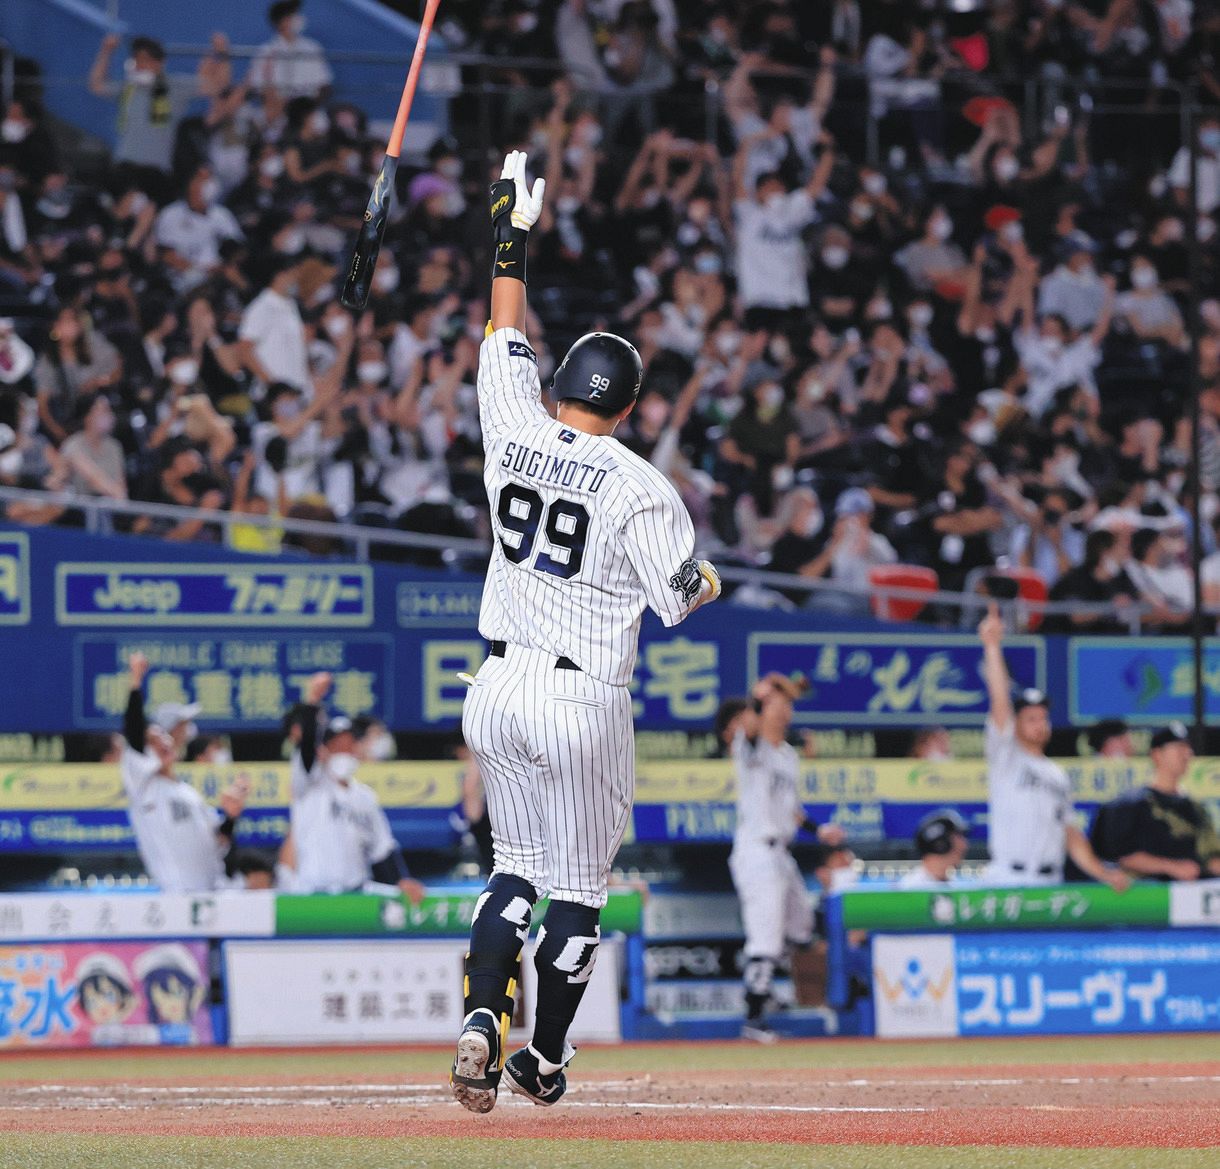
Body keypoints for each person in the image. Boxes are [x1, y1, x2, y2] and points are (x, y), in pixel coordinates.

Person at [451, 150, 722, 1113]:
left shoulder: (512, 425)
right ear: (631, 406)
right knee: (577, 886)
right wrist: (708, 572)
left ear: (563, 382)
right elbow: (683, 595)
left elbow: (501, 328)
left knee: (510, 870)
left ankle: (484, 1011)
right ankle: (545, 1058)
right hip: (581, 694)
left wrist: (511, 239)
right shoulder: (644, 485)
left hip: (496, 682)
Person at [717, 674, 845, 1043]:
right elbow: (752, 727)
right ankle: (754, 1017)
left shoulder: (788, 755)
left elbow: (792, 810)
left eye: (787, 703)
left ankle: (765, 987)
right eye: (778, 703)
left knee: (802, 926)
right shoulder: (749, 745)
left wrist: (818, 830)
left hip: (781, 853)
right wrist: (756, 700)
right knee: (765, 938)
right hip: (756, 851)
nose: (785, 709)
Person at [977, 603, 1129, 891]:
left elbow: (1070, 834)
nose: (1040, 724)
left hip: (1050, 881)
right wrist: (992, 647)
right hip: (1009, 878)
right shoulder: (1006, 757)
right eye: (1031, 718)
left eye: (1044, 718)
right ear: (1017, 724)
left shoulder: (1057, 774)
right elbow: (1000, 702)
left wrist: (1103, 874)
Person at [286, 671, 427, 901]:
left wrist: (401, 880)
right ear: (324, 748)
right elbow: (306, 747)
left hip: (357, 893)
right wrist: (312, 702)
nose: (345, 748)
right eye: (337, 743)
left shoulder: (364, 796)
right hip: (312, 894)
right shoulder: (309, 783)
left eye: (350, 742)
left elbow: (383, 848)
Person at [121, 652, 247, 892]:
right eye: (153, 742)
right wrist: (136, 681)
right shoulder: (144, 786)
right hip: (178, 897)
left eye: (164, 737)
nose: (163, 743)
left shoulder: (189, 793)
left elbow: (218, 841)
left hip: (213, 893)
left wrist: (230, 817)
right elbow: (134, 732)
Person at [1091, 722, 1220, 881]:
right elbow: (1119, 856)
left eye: (1188, 748)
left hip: (1189, 896)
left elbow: (1211, 857)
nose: (1187, 754)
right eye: (1179, 748)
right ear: (1157, 754)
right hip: (1143, 897)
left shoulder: (1196, 808)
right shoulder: (1129, 804)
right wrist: (1170, 867)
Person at [252, 1, 334, 103]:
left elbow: (325, 84)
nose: (298, 18)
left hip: (307, 109)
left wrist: (307, 108)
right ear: (281, 22)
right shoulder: (266, 51)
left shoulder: (312, 47)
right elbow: (257, 87)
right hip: (276, 110)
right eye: (293, 15)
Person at [898, 810, 969, 889]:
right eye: (959, 837)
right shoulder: (911, 888)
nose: (965, 845)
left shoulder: (956, 885)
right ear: (941, 845)